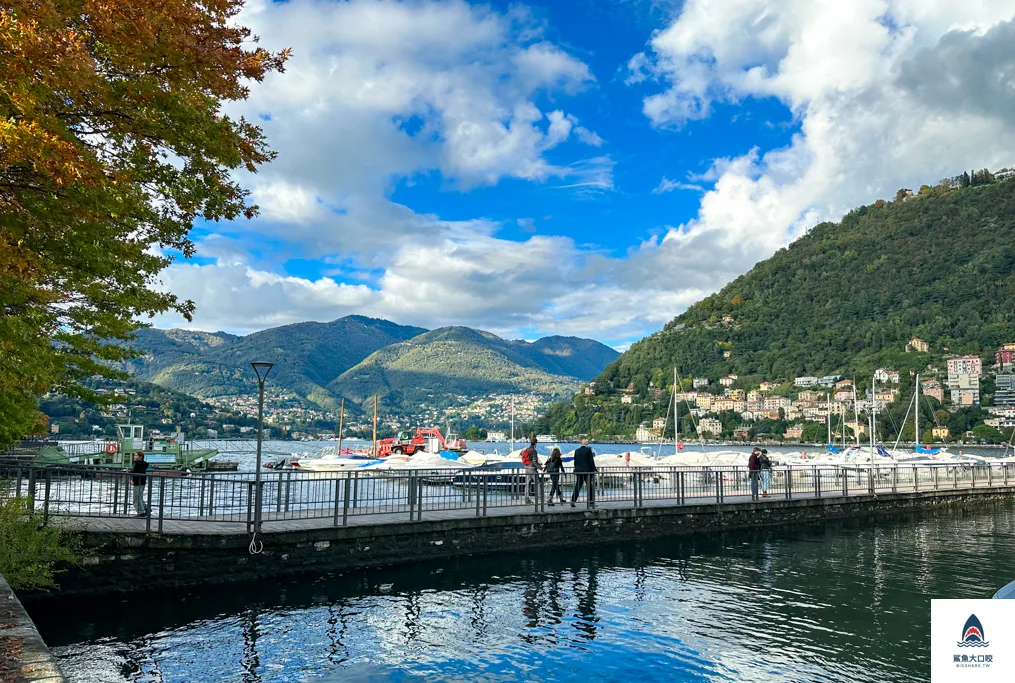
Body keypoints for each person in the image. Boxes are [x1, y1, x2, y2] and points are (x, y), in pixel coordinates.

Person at [570, 439, 597, 508]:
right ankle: (590, 502)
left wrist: (576, 468)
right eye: (587, 441)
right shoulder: (588, 450)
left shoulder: (577, 450)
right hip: (587, 471)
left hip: (579, 471)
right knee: (589, 487)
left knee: (578, 486)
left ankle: (573, 500)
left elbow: (575, 462)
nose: (588, 442)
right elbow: (591, 461)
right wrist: (594, 469)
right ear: (586, 443)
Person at [520, 437, 541, 504]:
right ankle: (539, 498)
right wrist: (540, 467)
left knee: (527, 484)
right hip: (532, 469)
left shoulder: (527, 449)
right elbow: (534, 462)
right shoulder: (534, 451)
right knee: (538, 483)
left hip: (526, 468)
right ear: (535, 443)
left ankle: (526, 499)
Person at [131, 451, 150, 517]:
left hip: (138, 482)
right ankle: (146, 509)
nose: (134, 457)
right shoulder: (143, 464)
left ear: (140, 457)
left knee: (136, 498)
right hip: (142, 482)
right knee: (139, 497)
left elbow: (137, 473)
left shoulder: (138, 464)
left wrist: (133, 480)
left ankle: (141, 512)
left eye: (136, 455)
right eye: (134, 455)